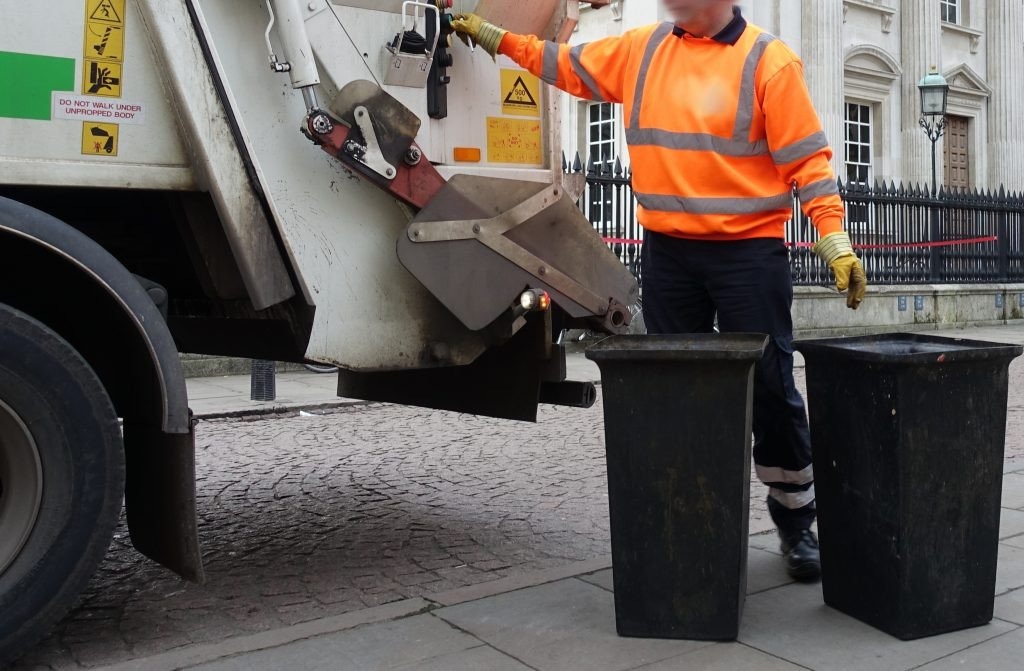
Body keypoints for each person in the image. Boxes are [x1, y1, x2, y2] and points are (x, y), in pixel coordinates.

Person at [452, 0, 867, 581]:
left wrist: (834, 237)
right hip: (671, 254)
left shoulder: (768, 63)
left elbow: (808, 162)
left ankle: (796, 521)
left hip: (749, 253)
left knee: (771, 388)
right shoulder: (641, 49)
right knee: (680, 391)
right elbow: (563, 64)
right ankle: (694, 517)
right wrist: (497, 38)